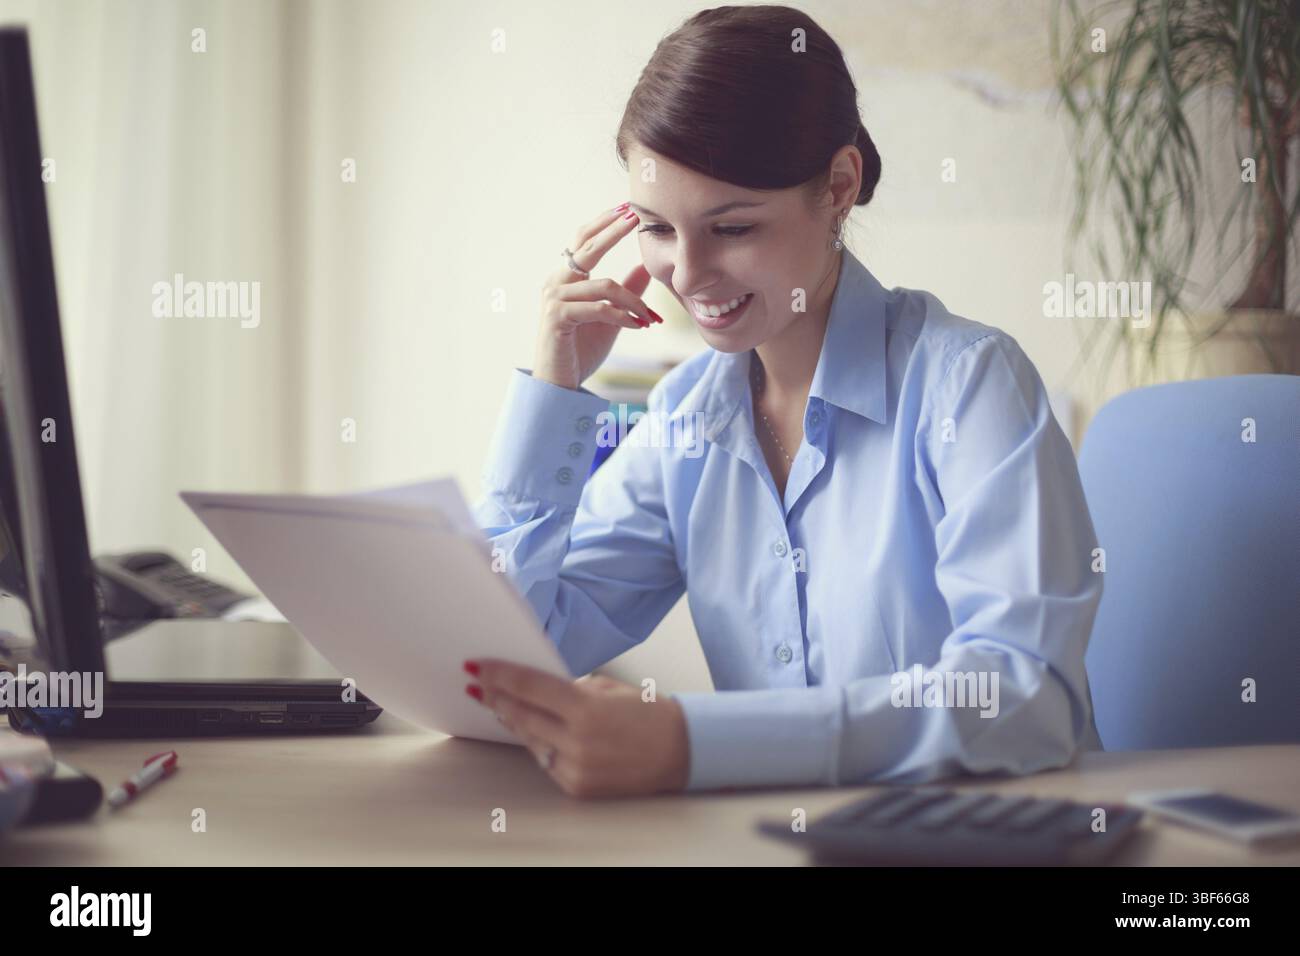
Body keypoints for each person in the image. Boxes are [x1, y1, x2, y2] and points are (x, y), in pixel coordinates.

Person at [463, 4, 1104, 798]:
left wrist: (696, 743)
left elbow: (1022, 696)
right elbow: (514, 661)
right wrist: (552, 394)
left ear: (838, 187)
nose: (688, 275)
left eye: (731, 228)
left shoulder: (969, 383)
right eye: (658, 229)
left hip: (982, 843)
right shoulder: (685, 418)